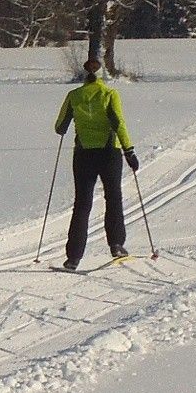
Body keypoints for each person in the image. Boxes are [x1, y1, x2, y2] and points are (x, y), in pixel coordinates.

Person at [53, 54, 138, 270]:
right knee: (113, 197)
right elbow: (118, 123)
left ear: (85, 73)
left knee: (82, 203)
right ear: (101, 73)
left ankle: (73, 257)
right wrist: (129, 151)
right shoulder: (110, 94)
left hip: (83, 155)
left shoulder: (74, 95)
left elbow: (60, 127)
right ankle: (116, 245)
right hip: (109, 153)